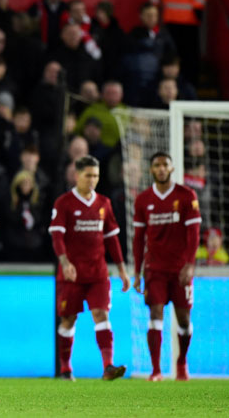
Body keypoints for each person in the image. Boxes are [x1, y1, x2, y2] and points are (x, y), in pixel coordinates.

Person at [48, 155, 129, 381]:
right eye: (88, 175)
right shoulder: (63, 203)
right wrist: (65, 263)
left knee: (101, 314)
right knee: (68, 319)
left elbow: (112, 239)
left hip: (98, 273)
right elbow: (57, 237)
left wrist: (122, 270)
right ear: (77, 175)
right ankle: (65, 369)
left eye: (96, 175)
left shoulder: (104, 203)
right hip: (71, 274)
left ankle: (108, 367)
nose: (92, 180)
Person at [133, 152, 201, 381]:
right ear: (151, 170)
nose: (161, 168)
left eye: (165, 165)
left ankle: (181, 360)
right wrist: (136, 271)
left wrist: (190, 264)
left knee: (183, 319)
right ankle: (156, 370)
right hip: (155, 268)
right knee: (155, 313)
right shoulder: (143, 199)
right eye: (157, 165)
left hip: (181, 269)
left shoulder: (186, 195)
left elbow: (194, 234)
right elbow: (138, 237)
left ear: (172, 168)